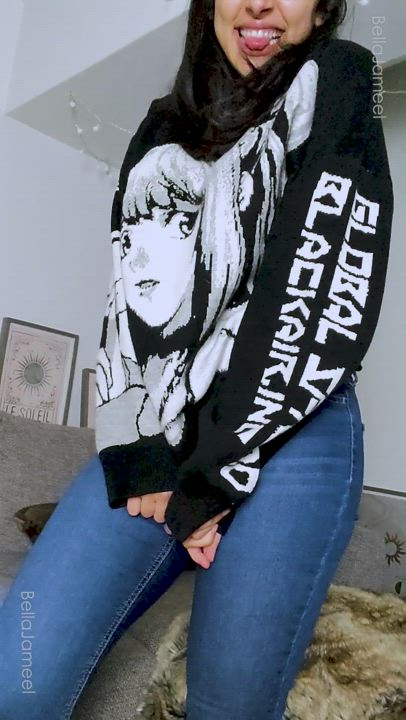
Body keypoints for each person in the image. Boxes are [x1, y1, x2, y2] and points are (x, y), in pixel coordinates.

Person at [0, 1, 393, 719]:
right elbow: (127, 300)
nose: (259, 4)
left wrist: (211, 479)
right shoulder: (163, 124)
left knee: (227, 706)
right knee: (17, 683)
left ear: (323, 9)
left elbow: (314, 284)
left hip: (295, 425)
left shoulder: (343, 75)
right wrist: (140, 454)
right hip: (163, 418)